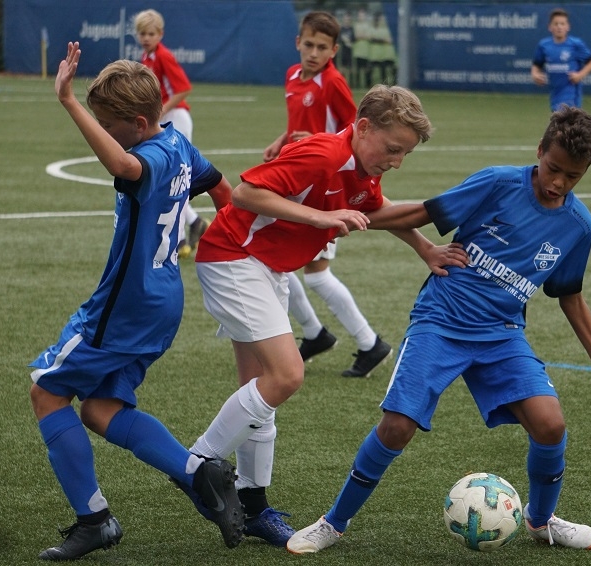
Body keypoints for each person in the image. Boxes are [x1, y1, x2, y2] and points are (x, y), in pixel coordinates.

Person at [286, 106, 591, 554]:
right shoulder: (498, 182)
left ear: (586, 170)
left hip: (502, 333)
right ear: (539, 151)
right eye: (553, 169)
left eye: (572, 176)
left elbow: (570, 296)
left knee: (550, 425)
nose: (557, 183)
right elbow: (422, 213)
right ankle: (333, 523)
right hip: (441, 320)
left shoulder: (578, 225)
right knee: (396, 427)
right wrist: (340, 218)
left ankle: (541, 520)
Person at [186, 84, 469, 548]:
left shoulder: (361, 168)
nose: (397, 161)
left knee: (260, 389)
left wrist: (425, 248)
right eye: (393, 149)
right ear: (363, 128)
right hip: (233, 257)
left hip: (268, 266)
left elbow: (375, 209)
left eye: (405, 154)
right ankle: (195, 467)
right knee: (286, 375)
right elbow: (245, 194)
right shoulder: (323, 153)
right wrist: (319, 217)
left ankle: (252, 505)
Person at [29, 42, 240, 560]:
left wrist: (69, 101)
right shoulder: (179, 144)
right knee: (101, 410)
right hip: (163, 299)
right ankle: (199, 474)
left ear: (140, 123)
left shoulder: (151, 155)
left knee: (46, 392)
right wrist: (233, 246)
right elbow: (222, 189)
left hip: (125, 306)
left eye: (108, 123)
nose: (102, 130)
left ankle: (95, 520)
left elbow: (124, 164)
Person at [263, 10, 392, 378]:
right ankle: (315, 334)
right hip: (299, 180)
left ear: (334, 50)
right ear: (298, 43)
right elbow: (298, 124)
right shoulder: (293, 75)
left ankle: (369, 343)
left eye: (322, 47)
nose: (314, 53)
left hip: (328, 187)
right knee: (275, 261)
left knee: (314, 275)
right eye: (309, 45)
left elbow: (358, 129)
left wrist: (318, 140)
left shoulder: (333, 82)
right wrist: (282, 140)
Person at [134, 8, 207, 258]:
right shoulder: (146, 57)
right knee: (167, 179)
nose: (146, 38)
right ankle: (194, 225)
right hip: (163, 118)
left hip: (176, 117)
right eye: (142, 33)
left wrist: (161, 110)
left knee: (176, 177)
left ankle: (182, 237)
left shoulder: (164, 56)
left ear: (161, 34)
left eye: (151, 33)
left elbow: (184, 88)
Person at [531, 7, 591, 177]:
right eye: (556, 24)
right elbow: (536, 65)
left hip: (571, 94)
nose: (559, 26)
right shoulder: (544, 45)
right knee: (570, 131)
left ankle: (555, 164)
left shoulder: (575, 44)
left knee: (561, 129)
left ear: (568, 26)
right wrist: (535, 74)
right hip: (555, 94)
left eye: (562, 23)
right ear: (550, 27)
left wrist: (580, 75)